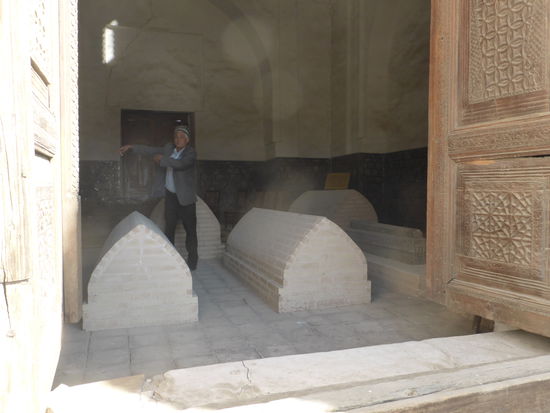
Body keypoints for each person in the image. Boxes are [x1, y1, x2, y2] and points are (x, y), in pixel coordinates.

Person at [119, 125, 198, 270]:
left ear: (187, 140)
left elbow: (180, 164)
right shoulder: (169, 149)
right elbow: (150, 150)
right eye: (176, 137)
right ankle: (170, 259)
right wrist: (132, 147)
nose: (178, 139)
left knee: (190, 231)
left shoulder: (190, 153)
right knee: (169, 229)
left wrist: (162, 160)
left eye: (181, 137)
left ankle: (192, 263)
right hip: (171, 197)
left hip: (186, 199)